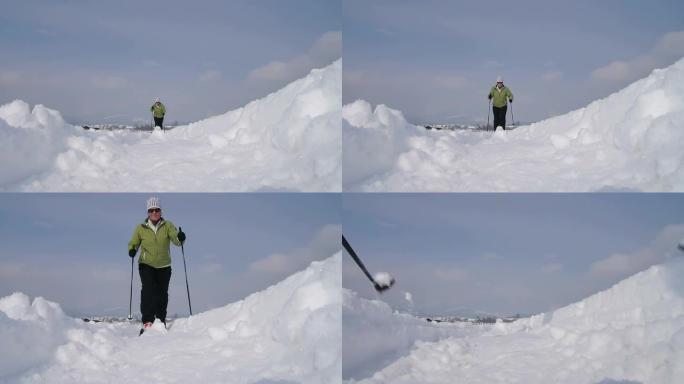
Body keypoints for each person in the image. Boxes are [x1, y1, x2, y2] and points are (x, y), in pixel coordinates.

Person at [128, 197, 186, 334]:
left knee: (162, 293)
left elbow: (176, 240)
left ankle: (160, 319)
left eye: (157, 210)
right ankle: (147, 321)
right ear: (148, 212)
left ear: (160, 211)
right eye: (151, 210)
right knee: (148, 290)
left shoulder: (167, 225)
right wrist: (132, 249)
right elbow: (133, 243)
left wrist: (181, 237)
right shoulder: (140, 228)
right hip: (146, 264)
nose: (154, 212)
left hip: (164, 265)